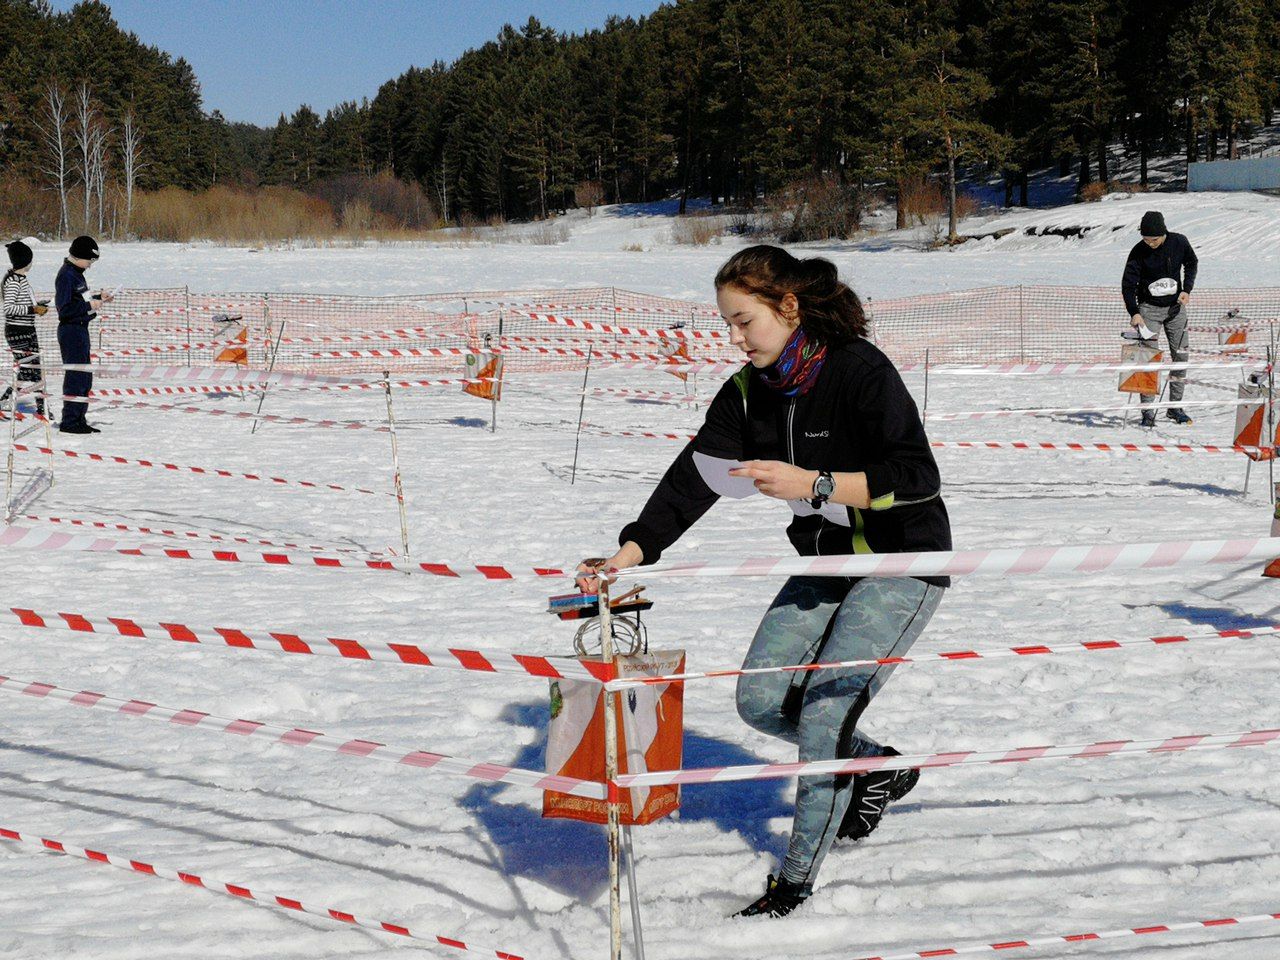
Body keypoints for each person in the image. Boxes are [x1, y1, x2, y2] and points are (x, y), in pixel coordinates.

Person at [576, 245, 951, 918]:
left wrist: (817, 483)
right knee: (759, 700)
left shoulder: (859, 371)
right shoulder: (748, 393)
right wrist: (633, 548)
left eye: (744, 321)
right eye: (726, 323)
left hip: (902, 560)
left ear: (788, 308)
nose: (735, 337)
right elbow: (695, 476)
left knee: (823, 715)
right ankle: (874, 765)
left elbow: (919, 478)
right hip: (825, 563)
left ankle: (795, 883)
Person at [1122, 210, 1198, 427]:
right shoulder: (1138, 252)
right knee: (1148, 359)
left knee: (1180, 357)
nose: (1150, 243)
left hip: (1176, 309)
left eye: (1153, 239)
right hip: (1148, 311)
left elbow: (1192, 262)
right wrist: (1134, 312)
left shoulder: (1179, 242)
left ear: (1163, 233)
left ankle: (1175, 408)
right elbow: (1128, 285)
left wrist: (1187, 289)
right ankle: (1147, 412)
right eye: (1145, 239)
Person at [54, 235, 112, 434]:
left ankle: (79, 418)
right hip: (70, 331)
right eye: (89, 260)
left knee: (85, 378)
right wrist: (89, 305)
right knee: (75, 376)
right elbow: (64, 309)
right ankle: (69, 421)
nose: (90, 265)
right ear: (79, 256)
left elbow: (80, 299)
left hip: (81, 329)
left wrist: (98, 298)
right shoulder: (66, 276)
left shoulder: (77, 274)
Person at [2, 239, 48, 418]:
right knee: (29, 369)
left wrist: (40, 306)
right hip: (17, 331)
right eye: (30, 259)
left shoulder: (22, 280)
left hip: (28, 329)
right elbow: (9, 308)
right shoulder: (14, 281)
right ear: (24, 261)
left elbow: (28, 304)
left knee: (33, 369)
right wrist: (32, 309)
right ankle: (39, 408)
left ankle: (40, 407)